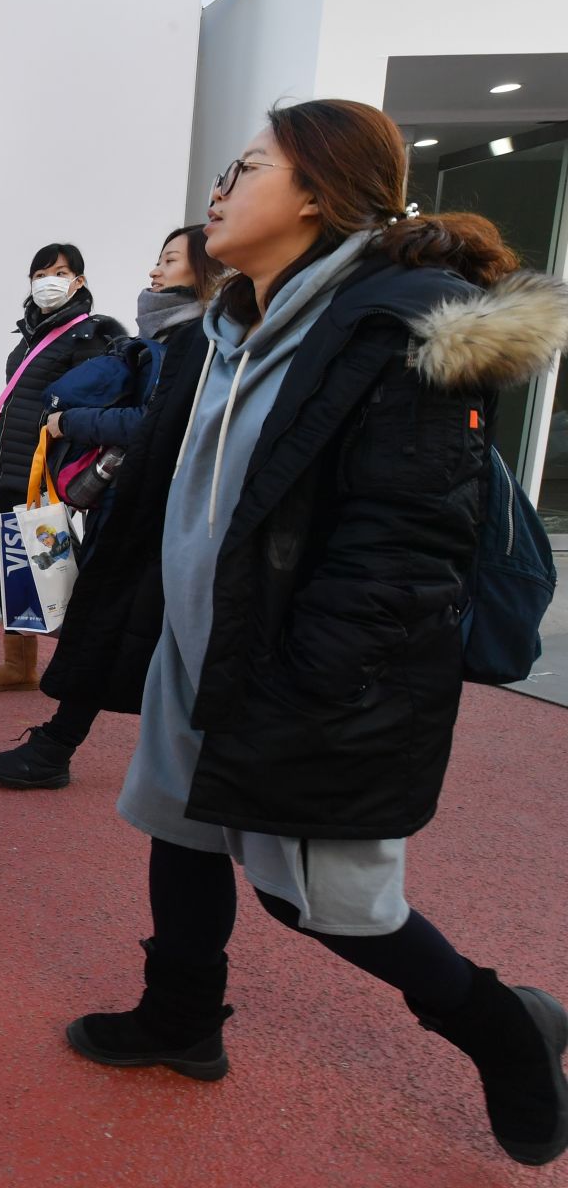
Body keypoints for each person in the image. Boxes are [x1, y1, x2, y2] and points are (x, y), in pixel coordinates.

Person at [57, 99, 568, 1167]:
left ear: (315, 193)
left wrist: (307, 694)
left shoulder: (394, 331)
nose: (218, 188)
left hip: (302, 672)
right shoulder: (232, 325)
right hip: (201, 650)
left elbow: (402, 552)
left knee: (329, 901)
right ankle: (181, 1017)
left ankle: (504, 1028)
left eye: (245, 168)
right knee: (180, 826)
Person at [0, 225, 223, 788]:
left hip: (157, 507)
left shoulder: (187, 339)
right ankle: (59, 742)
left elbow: (153, 422)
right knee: (120, 622)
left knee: (113, 617)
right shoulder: (168, 335)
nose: (156, 270)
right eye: (41, 274)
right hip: (129, 499)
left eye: (169, 260)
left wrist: (71, 422)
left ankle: (59, 744)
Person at [0, 244, 125, 692]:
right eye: (40, 272)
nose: (48, 280)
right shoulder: (34, 333)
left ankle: (80, 661)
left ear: (79, 280)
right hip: (17, 465)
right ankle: (19, 664)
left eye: (60, 271)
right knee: (17, 561)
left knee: (55, 566)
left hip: (49, 471)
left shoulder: (90, 335)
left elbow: (94, 402)